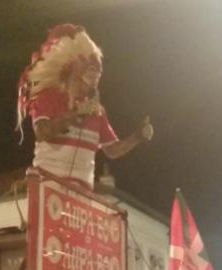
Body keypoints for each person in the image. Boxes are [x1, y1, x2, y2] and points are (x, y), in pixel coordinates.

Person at [16, 24, 153, 190]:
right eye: (90, 70)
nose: (95, 76)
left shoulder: (97, 111)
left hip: (82, 196)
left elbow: (112, 150)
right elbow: (42, 133)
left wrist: (138, 136)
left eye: (98, 73)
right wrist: (74, 115)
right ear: (72, 67)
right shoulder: (49, 96)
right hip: (49, 186)